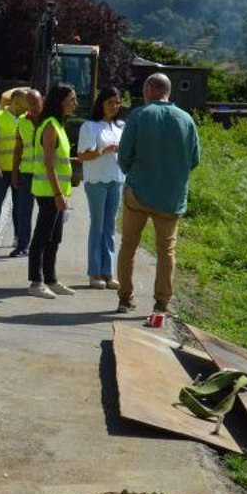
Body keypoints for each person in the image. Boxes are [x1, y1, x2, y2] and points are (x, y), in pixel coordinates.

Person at [114, 73, 201, 315]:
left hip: (138, 193)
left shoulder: (140, 116)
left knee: (128, 246)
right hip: (171, 197)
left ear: (151, 89)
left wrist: (133, 174)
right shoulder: (186, 120)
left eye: (143, 88)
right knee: (167, 251)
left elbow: (124, 155)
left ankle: (125, 299)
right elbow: (194, 159)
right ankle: (162, 303)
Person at [27, 85, 76, 299]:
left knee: (55, 238)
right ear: (59, 101)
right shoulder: (49, 126)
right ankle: (36, 282)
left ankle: (51, 279)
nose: (75, 103)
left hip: (58, 191)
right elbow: (48, 163)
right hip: (48, 191)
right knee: (42, 237)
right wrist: (57, 194)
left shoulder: (59, 125)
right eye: (71, 99)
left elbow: (60, 161)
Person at [77, 86, 125, 289]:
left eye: (117, 102)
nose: (114, 106)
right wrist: (103, 150)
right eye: (110, 102)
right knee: (97, 225)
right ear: (101, 104)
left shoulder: (121, 126)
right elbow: (82, 156)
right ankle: (94, 272)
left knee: (110, 226)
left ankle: (108, 271)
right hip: (96, 180)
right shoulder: (90, 127)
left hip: (116, 179)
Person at [0, 87, 30, 251]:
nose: (28, 105)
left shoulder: (27, 118)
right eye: (26, 101)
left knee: (19, 205)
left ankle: (18, 236)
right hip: (3, 169)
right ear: (16, 102)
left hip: (21, 169)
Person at [8, 88, 41, 257]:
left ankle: (41, 246)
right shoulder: (21, 121)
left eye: (36, 102)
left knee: (46, 213)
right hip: (26, 172)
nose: (33, 106)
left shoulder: (49, 121)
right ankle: (22, 245)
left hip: (45, 174)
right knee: (23, 211)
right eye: (30, 103)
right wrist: (15, 173)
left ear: (41, 101)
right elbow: (18, 149)